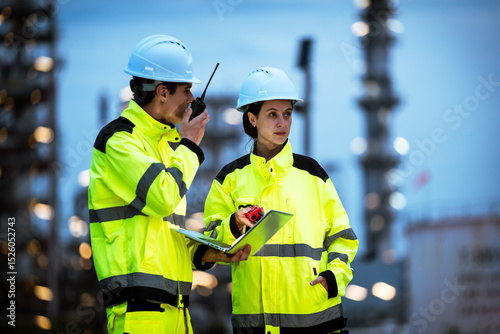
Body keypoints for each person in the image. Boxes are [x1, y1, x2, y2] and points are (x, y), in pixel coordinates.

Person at [88, 35, 250, 334]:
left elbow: (163, 234)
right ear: (162, 92)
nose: (191, 98)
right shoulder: (120, 141)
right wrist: (190, 144)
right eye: (186, 88)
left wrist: (207, 253)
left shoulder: (166, 146)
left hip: (176, 312)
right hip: (139, 315)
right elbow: (162, 198)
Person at [203, 67, 359, 334]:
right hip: (256, 324)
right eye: (272, 115)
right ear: (252, 118)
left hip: (314, 319)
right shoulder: (229, 179)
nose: (282, 123)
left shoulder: (313, 174)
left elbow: (342, 235)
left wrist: (333, 278)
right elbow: (210, 243)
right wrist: (234, 225)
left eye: (287, 114)